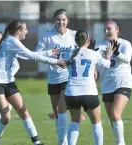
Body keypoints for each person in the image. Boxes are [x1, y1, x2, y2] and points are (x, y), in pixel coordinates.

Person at [0, 19, 66, 145]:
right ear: (19, 31)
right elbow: (31, 56)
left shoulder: (12, 41)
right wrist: (55, 61)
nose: (27, 31)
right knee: (6, 117)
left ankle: (36, 142)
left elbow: (27, 55)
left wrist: (49, 52)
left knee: (23, 111)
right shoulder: (12, 41)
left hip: (8, 81)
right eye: (25, 29)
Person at [35, 9, 85, 144]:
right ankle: (63, 139)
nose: (61, 22)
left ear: (67, 20)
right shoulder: (47, 37)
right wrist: (50, 53)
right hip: (53, 77)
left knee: (63, 106)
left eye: (63, 19)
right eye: (58, 19)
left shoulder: (74, 35)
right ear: (54, 21)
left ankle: (62, 142)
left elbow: (85, 52)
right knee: (57, 112)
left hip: (68, 77)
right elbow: (36, 54)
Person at [65, 29, 114, 145]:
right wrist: (108, 56)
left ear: (75, 40)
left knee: (74, 122)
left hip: (71, 93)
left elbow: (65, 64)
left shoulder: (70, 53)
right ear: (88, 40)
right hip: (89, 93)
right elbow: (107, 65)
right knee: (96, 123)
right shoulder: (93, 53)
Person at [96, 20, 132, 145]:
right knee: (112, 118)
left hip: (122, 81)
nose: (106, 31)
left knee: (115, 114)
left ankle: (121, 143)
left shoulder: (125, 44)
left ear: (117, 30)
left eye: (109, 29)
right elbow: (99, 64)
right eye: (105, 30)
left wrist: (116, 52)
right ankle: (119, 141)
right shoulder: (101, 46)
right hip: (106, 84)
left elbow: (127, 59)